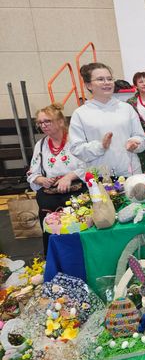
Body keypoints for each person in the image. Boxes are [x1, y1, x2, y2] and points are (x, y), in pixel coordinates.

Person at [69, 62, 145, 176]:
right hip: (101, 177)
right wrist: (101, 146)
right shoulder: (80, 114)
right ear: (88, 85)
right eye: (100, 79)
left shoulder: (126, 108)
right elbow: (76, 149)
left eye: (109, 79)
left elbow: (141, 137)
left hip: (131, 173)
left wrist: (135, 143)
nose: (107, 83)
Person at [27, 103, 84, 253]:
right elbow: (32, 173)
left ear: (60, 121)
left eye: (47, 121)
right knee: (46, 207)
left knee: (76, 210)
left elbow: (89, 166)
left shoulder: (76, 140)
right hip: (51, 190)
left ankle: (79, 253)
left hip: (76, 187)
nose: (43, 125)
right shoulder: (41, 145)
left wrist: (69, 176)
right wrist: (41, 180)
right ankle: (54, 256)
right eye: (40, 122)